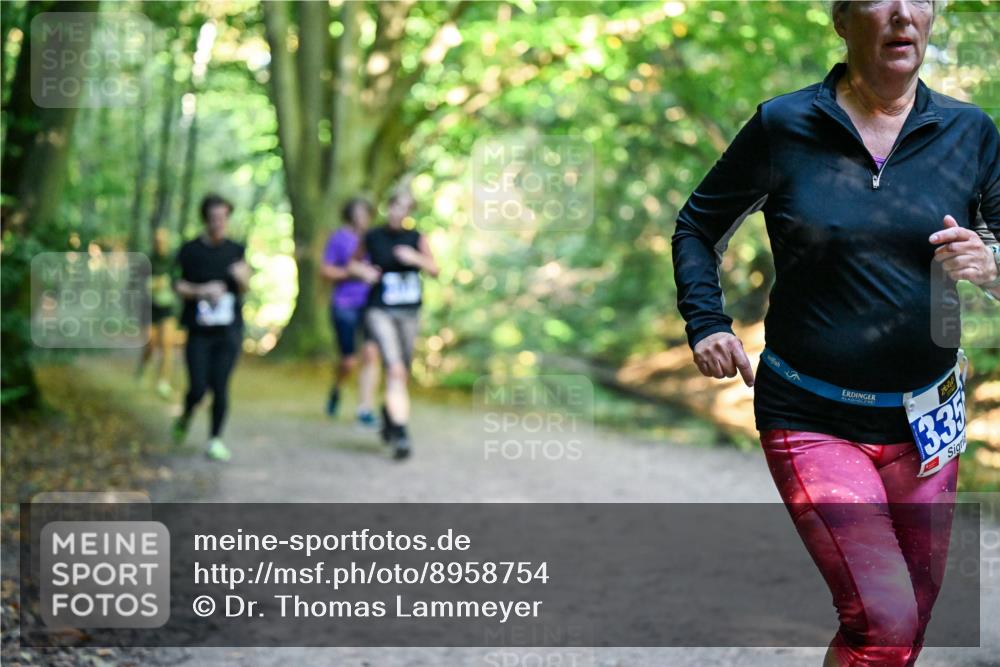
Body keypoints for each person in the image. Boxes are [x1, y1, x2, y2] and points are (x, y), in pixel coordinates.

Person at [670, 1, 1000, 665]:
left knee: (895, 633)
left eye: (920, 0)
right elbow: (697, 226)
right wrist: (707, 320)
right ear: (844, 20)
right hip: (811, 414)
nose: (904, 15)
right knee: (885, 618)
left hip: (928, 421)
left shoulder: (971, 132)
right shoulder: (784, 124)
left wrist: (993, 267)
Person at [349, 189, 439, 459]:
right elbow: (352, 264)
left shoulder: (416, 238)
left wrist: (415, 259)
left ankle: (390, 417)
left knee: (402, 370)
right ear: (388, 208)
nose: (398, 212)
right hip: (380, 310)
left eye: (404, 208)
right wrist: (363, 271)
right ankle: (401, 433)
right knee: (395, 367)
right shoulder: (373, 236)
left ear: (409, 212)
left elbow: (435, 269)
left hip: (409, 312)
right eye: (394, 207)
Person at [171, 194, 251, 462]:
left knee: (220, 385)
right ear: (206, 219)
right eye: (214, 218)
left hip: (228, 331)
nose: (219, 223)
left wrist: (242, 279)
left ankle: (215, 439)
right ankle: (185, 415)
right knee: (197, 387)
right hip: (199, 331)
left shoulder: (236, 250)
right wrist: (201, 291)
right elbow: (177, 285)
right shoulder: (190, 250)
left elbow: (245, 285)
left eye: (223, 217)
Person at [320, 197, 380, 427]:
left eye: (365, 213)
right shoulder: (339, 238)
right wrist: (353, 273)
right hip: (344, 305)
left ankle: (364, 408)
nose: (361, 218)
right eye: (357, 213)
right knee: (348, 362)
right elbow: (326, 271)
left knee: (371, 355)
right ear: (349, 215)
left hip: (371, 306)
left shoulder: (374, 239)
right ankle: (337, 388)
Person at [137, 226, 178, 399]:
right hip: (149, 308)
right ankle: (143, 367)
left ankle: (163, 382)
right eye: (157, 240)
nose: (160, 244)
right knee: (151, 344)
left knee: (167, 344)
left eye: (163, 240)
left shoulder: (173, 260)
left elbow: (179, 281)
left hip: (167, 308)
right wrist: (151, 285)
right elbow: (135, 285)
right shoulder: (146, 260)